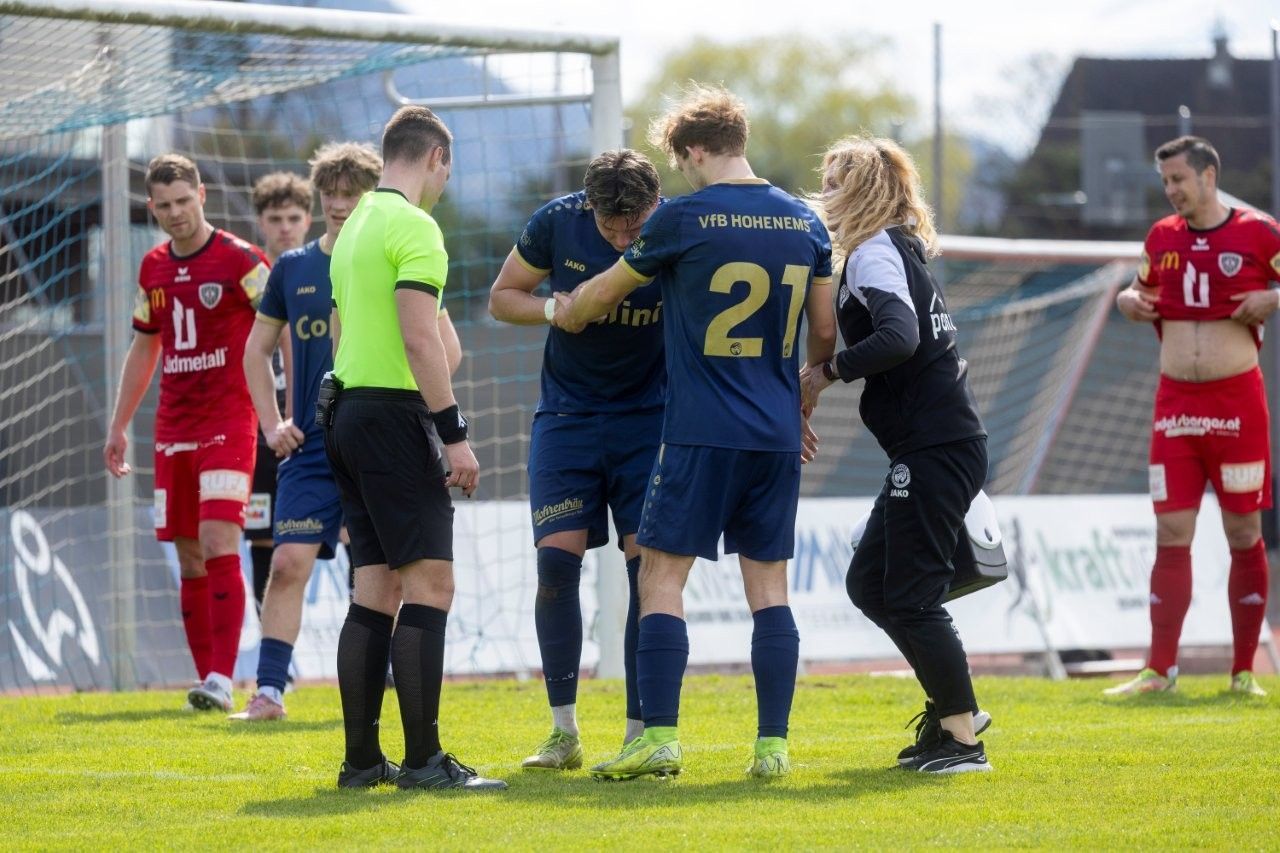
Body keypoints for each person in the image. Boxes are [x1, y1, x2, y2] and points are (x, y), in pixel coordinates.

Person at [556, 84, 836, 780]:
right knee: (769, 588)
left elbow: (602, 295)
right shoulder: (807, 222)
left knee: (660, 576)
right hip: (775, 435)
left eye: (679, 159)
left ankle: (660, 738)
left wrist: (568, 310)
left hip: (698, 432)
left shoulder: (682, 219)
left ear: (696, 150)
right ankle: (772, 748)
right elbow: (826, 335)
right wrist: (800, 401)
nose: (680, 172)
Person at [324, 105, 505, 791]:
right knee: (431, 585)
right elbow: (420, 337)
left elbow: (343, 331)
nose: (445, 183)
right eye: (448, 171)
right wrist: (454, 436)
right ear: (437, 157)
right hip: (393, 418)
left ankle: (362, 761)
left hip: (345, 412)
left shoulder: (353, 226)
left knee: (376, 588)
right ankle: (426, 762)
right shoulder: (415, 226)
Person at [799, 135, 993, 774]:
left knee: (910, 594)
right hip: (935, 445)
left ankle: (963, 740)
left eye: (834, 182)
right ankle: (950, 715)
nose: (825, 194)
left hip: (936, 446)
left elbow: (899, 337)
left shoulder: (874, 252)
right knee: (870, 584)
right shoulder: (895, 248)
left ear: (861, 191)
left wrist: (826, 371)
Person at [487, 150, 663, 771]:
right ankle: (563, 733)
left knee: (649, 575)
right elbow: (501, 297)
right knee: (555, 566)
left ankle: (640, 732)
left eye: (634, 226)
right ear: (589, 207)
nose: (622, 239)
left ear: (654, 205)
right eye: (611, 227)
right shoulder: (555, 222)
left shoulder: (673, 228)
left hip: (650, 421)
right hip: (567, 419)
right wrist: (551, 309)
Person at [1108, 136, 1279, 697]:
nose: (1171, 190)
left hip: (1237, 407)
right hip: (1176, 407)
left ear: (1209, 175)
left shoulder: (1260, 232)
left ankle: (1244, 673)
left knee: (1243, 531)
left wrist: (1273, 298)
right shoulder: (1162, 236)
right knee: (1171, 531)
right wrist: (1126, 301)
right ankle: (1159, 671)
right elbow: (1137, 290)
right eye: (1165, 182)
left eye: (1179, 179)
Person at [104, 153, 270, 712]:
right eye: (164, 205)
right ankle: (209, 681)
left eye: (183, 201)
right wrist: (119, 424)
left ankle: (222, 677)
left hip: (229, 420)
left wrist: (281, 402)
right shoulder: (151, 267)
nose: (176, 213)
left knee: (220, 540)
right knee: (190, 554)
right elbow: (145, 345)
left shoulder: (242, 259)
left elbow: (281, 325)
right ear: (151, 208)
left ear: (202, 195)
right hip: (173, 425)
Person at [234, 143, 387, 721]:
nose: (340, 204)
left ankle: (381, 681)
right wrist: (272, 423)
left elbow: (442, 348)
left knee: (377, 572)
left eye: (352, 193)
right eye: (331, 194)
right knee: (287, 564)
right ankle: (270, 691)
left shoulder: (391, 257)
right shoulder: (293, 268)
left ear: (372, 195)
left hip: (374, 442)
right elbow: (256, 351)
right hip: (311, 448)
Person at [245, 171, 312, 611]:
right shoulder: (246, 277)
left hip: (314, 418)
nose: (285, 227)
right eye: (275, 219)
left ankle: (367, 642)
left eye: (293, 217)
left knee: (350, 529)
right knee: (264, 535)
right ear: (261, 223)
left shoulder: (324, 269)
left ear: (308, 219)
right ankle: (271, 642)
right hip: (261, 427)